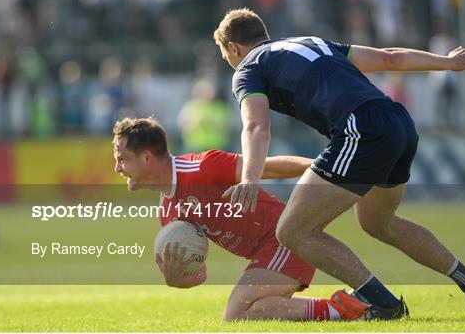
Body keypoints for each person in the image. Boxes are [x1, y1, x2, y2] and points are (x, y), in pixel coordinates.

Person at [213, 8, 465, 319]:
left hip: (360, 129)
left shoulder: (247, 67)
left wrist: (250, 179)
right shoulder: (312, 42)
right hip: (398, 122)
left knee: (293, 231)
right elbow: (390, 58)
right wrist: (449, 62)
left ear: (233, 48)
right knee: (377, 223)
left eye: (226, 54)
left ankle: (384, 303)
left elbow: (256, 125)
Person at [112, 117, 371, 321]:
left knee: (237, 312)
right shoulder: (168, 214)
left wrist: (336, 170)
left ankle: (347, 309)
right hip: (265, 253)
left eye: (122, 159)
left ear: (146, 157)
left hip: (286, 237)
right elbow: (200, 274)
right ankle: (347, 307)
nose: (117, 168)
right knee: (248, 310)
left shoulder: (202, 167)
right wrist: (176, 279)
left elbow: (268, 166)